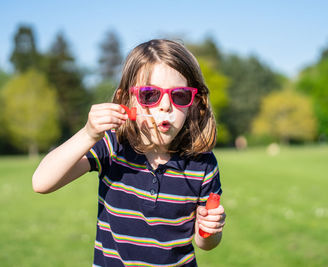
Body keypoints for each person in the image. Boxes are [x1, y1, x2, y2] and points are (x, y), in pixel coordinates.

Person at [32, 39, 225, 266]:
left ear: (193, 103)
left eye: (179, 95)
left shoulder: (202, 163)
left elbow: (205, 244)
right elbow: (41, 182)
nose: (165, 106)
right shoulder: (114, 145)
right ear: (127, 100)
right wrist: (88, 134)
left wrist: (210, 229)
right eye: (149, 94)